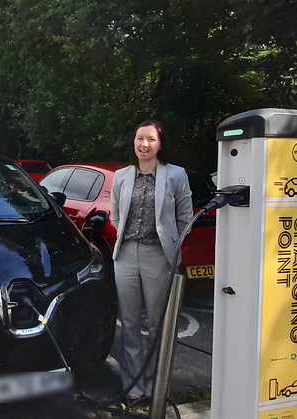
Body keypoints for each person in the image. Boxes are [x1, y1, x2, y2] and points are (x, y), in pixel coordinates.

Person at [109, 120, 192, 402]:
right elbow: (115, 215)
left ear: (160, 144)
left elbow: (185, 218)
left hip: (159, 256)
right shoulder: (121, 176)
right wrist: (126, 236)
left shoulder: (176, 175)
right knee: (130, 323)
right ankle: (133, 387)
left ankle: (157, 388)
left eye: (150, 139)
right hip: (126, 255)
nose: (144, 144)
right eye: (139, 138)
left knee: (159, 324)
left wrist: (171, 245)